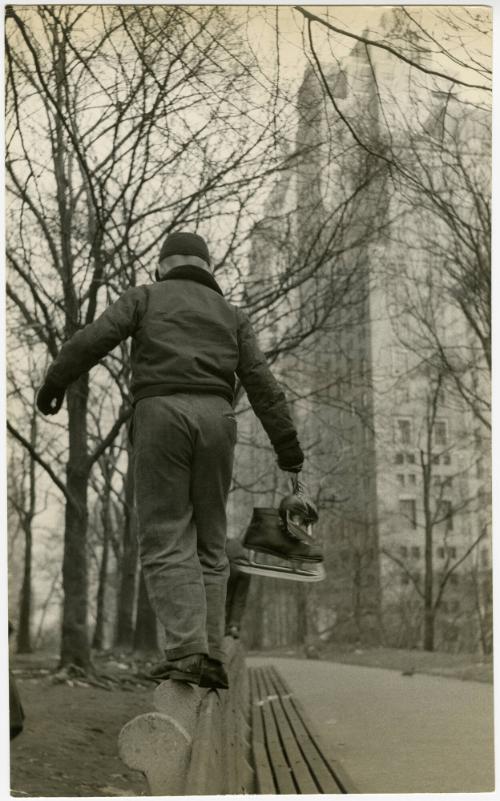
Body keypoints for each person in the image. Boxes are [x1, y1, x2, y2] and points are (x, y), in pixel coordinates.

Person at [36, 231, 304, 689]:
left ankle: (187, 652)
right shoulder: (233, 315)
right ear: (208, 269)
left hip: (161, 413)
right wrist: (289, 454)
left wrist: (55, 384)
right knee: (211, 543)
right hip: (219, 420)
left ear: (162, 265)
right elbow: (263, 385)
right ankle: (212, 654)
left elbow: (93, 339)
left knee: (165, 536)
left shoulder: (145, 296)